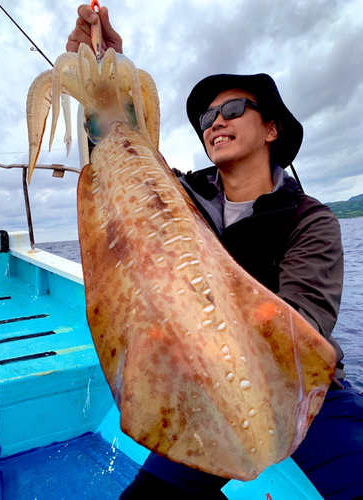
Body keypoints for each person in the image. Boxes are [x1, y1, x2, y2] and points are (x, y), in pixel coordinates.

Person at [67, 6, 363, 499]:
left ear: (271, 129)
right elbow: (119, 150)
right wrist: (102, 72)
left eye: (231, 110)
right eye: (207, 118)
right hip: (205, 392)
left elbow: (303, 325)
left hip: (306, 395)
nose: (215, 123)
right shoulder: (176, 199)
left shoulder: (311, 219)